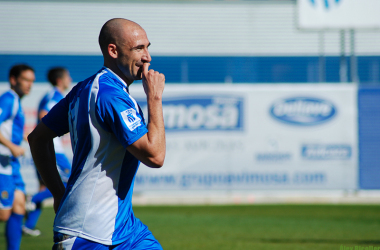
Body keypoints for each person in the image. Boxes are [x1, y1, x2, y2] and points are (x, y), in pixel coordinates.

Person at [28, 18, 166, 249]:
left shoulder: (85, 88)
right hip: (88, 232)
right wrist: (154, 97)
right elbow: (155, 156)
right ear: (113, 50)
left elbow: (37, 137)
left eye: (147, 47)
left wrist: (59, 194)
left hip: (124, 228)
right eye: (139, 48)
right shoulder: (110, 95)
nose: (147, 57)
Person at [22, 67, 72, 236]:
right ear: (60, 80)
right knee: (71, 181)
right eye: (67, 76)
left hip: (51, 148)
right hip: (54, 150)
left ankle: (28, 225)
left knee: (45, 186)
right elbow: (45, 116)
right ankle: (32, 199)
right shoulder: (54, 96)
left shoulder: (52, 95)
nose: (70, 79)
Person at [0, 64, 35, 250]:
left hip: (11, 165)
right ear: (13, 80)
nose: (29, 84)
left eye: (32, 81)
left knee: (19, 206)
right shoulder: (8, 99)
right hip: (2, 164)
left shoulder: (16, 101)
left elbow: (9, 129)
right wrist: (12, 146)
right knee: (4, 215)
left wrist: (25, 137)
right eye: (25, 80)